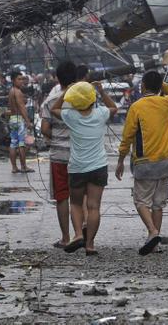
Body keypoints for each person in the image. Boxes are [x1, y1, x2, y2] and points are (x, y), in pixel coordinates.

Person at [116, 70, 168, 256]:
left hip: (144, 161)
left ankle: (152, 232)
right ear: (159, 86)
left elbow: (127, 136)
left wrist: (121, 160)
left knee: (141, 201)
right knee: (158, 203)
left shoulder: (137, 107)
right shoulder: (167, 103)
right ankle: (155, 242)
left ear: (143, 85)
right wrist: (164, 85)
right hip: (165, 161)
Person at [52, 81, 118, 255]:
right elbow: (114, 107)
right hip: (98, 166)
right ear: (92, 99)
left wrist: (67, 92)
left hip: (77, 168)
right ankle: (90, 245)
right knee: (94, 206)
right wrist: (102, 91)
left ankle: (79, 234)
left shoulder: (70, 116)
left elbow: (54, 109)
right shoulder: (101, 113)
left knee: (75, 203)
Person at [40, 60, 77, 248]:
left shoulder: (50, 100)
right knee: (81, 196)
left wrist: (56, 136)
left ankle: (65, 238)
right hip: (81, 154)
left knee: (62, 196)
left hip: (59, 155)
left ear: (57, 78)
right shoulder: (83, 98)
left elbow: (44, 129)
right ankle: (82, 233)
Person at [8, 71, 34, 173]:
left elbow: (13, 105)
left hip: (13, 119)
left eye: (22, 79)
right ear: (13, 81)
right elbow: (22, 108)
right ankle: (24, 167)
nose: (21, 81)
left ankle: (14, 167)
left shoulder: (11, 91)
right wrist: (28, 121)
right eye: (19, 79)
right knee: (22, 144)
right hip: (19, 120)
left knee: (13, 143)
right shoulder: (18, 92)